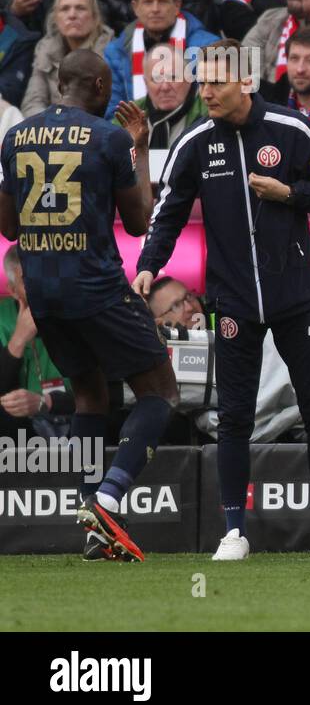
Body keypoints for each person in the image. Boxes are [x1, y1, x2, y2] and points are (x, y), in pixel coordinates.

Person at [133, 38, 310, 562]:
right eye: (202, 82)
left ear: (247, 82)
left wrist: (289, 194)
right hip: (233, 301)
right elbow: (168, 212)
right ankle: (234, 531)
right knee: (234, 416)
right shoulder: (194, 141)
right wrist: (149, 264)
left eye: (215, 82)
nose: (205, 92)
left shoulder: (289, 128)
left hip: (297, 294)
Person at [0, 50, 181, 562]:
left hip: (43, 293)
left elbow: (8, 228)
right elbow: (140, 221)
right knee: (161, 394)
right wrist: (141, 149)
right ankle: (106, 498)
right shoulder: (110, 138)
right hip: (97, 287)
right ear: (101, 85)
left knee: (89, 396)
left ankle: (93, 525)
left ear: (60, 84)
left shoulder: (15, 136)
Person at [103, 0, 220, 118]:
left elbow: (215, 103)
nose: (155, 9)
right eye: (148, 2)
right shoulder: (115, 52)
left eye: (162, 1)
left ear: (177, 5)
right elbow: (112, 111)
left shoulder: (209, 47)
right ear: (135, 8)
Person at [0, 247, 70, 442]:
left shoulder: (79, 315)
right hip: (16, 436)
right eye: (28, 280)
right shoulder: (2, 318)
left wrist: (45, 402)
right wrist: (18, 339)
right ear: (13, 291)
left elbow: (108, 397)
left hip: (75, 424)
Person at [22, 0, 113, 116]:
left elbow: (113, 107)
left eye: (80, 8)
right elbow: (32, 103)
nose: (72, 15)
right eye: (65, 9)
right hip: (51, 130)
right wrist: (54, 126)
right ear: (55, 18)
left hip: (94, 130)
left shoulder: (111, 52)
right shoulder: (45, 50)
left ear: (95, 17)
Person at [113, 41, 207, 148]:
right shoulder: (128, 116)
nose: (165, 87)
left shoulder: (209, 112)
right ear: (145, 83)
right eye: (156, 79)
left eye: (173, 77)